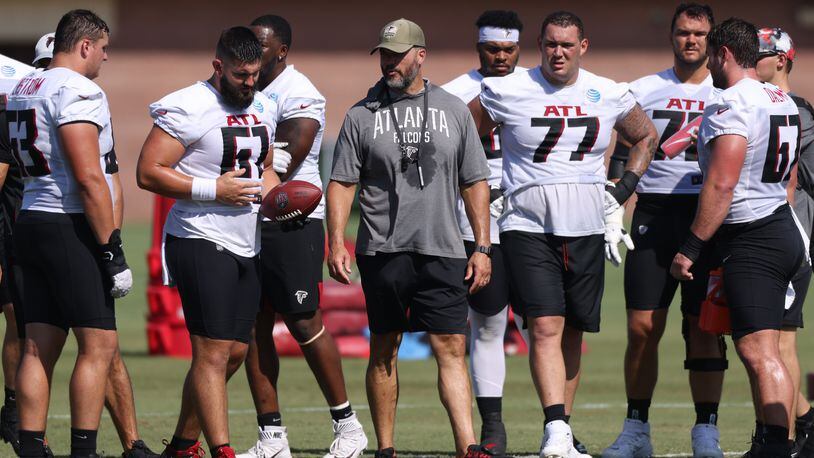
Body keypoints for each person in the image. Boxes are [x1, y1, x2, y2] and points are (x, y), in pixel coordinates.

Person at [468, 10, 658, 458]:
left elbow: (645, 137)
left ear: (583, 47)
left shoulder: (607, 91)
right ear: (540, 44)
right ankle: (554, 426)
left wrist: (623, 189)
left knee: (573, 329)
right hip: (527, 224)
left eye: (567, 45)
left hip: (587, 224)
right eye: (551, 43)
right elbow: (465, 137)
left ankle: (561, 429)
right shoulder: (507, 89)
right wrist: (490, 186)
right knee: (546, 325)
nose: (558, 52)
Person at [326, 18, 492, 458]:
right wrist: (337, 241)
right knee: (384, 347)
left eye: (397, 55)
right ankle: (385, 447)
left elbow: (475, 181)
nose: (388, 63)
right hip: (382, 249)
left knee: (452, 347)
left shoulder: (455, 109)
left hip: (443, 247)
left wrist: (481, 246)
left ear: (421, 55)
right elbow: (342, 182)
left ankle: (467, 445)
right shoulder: (362, 115)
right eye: (383, 54)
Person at [0, 32, 157, 458]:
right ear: (84, 45)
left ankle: (30, 445)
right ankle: (83, 450)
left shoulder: (23, 86)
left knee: (37, 343)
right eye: (103, 47)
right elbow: (91, 179)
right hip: (67, 223)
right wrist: (110, 249)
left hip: (28, 217)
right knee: (100, 347)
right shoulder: (78, 89)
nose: (106, 56)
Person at [136, 27, 280, 458]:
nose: (249, 83)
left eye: (255, 74)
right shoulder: (189, 105)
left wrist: (281, 201)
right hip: (199, 235)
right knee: (212, 353)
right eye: (241, 75)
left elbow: (265, 166)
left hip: (247, 239)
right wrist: (212, 190)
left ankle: (181, 446)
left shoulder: (265, 104)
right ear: (218, 66)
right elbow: (149, 171)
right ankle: (222, 450)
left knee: (235, 351)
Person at [670, 17, 805, 457]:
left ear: (723, 53)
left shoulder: (729, 104)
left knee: (759, 352)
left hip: (751, 235)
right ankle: (773, 443)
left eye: (711, 53)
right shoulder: (780, 98)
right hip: (780, 224)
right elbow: (790, 179)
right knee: (769, 349)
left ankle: (777, 447)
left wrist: (691, 247)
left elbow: (722, 184)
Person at [238, 15, 367, 458]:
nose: (252, 52)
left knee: (302, 321)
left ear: (282, 50)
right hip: (242, 217)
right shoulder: (241, 87)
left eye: (260, 45)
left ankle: (347, 424)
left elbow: (289, 158)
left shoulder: (300, 92)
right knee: (254, 325)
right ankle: (271, 436)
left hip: (290, 217)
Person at [601, 5, 726, 458]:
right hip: (654, 212)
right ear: (671, 36)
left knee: (704, 326)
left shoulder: (728, 89)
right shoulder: (644, 88)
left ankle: (705, 429)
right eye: (682, 32)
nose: (690, 40)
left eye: (699, 33)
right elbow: (625, 149)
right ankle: (636, 428)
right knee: (641, 326)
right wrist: (613, 202)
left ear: (711, 39)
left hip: (707, 214)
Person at [441, 9, 528, 455]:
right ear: (479, 48)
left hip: (533, 218)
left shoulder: (537, 87)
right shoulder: (454, 94)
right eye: (492, 48)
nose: (500, 56)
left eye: (509, 49)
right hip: (476, 217)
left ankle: (558, 423)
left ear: (519, 47)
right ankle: (492, 424)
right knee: (489, 322)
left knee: (544, 324)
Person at [754, 26, 814, 457]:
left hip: (790, 233)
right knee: (763, 341)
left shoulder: (798, 112)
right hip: (761, 234)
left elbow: (803, 175)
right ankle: (800, 426)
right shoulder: (750, 101)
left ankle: (790, 439)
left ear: (782, 60)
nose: (750, 59)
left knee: (779, 341)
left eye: (759, 54)